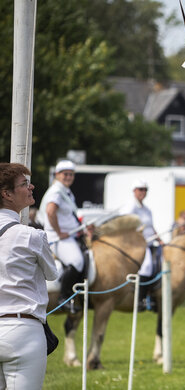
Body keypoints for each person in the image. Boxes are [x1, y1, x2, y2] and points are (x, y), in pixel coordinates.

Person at [0, 162, 59, 389]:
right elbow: (52, 273)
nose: (32, 186)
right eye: (24, 184)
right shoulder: (32, 236)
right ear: (6, 194)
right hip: (22, 332)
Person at [38, 160, 86, 312]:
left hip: (70, 235)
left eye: (71, 174)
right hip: (59, 238)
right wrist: (59, 232)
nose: (68, 177)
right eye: (65, 174)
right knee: (77, 261)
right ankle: (63, 297)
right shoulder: (56, 192)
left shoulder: (66, 191)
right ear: (57, 175)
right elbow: (51, 211)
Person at [120, 179, 163, 311]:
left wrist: (160, 240)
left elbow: (151, 227)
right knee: (147, 267)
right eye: (140, 189)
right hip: (138, 245)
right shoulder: (130, 207)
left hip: (150, 242)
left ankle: (155, 297)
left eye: (145, 190)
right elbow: (124, 225)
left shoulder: (147, 209)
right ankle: (140, 300)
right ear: (134, 191)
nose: (143, 192)